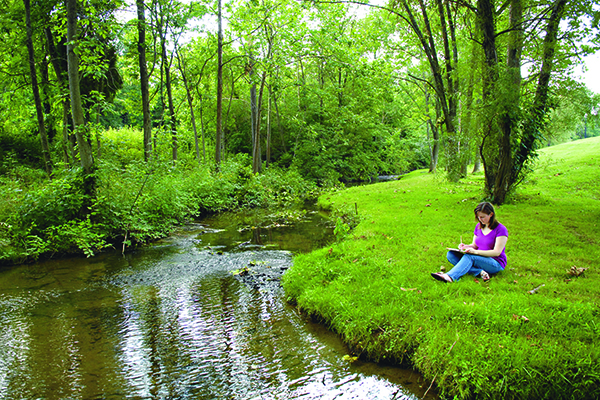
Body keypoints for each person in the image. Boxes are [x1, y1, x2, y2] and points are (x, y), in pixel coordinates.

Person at [431, 202, 508, 283]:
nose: (480, 220)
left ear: (491, 214)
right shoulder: (478, 226)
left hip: (495, 263)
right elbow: (474, 245)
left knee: (470, 257)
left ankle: (450, 277)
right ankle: (479, 272)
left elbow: (496, 252)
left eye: (483, 217)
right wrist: (466, 247)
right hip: (478, 258)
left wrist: (476, 252)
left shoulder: (501, 229)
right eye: (478, 217)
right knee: (451, 255)